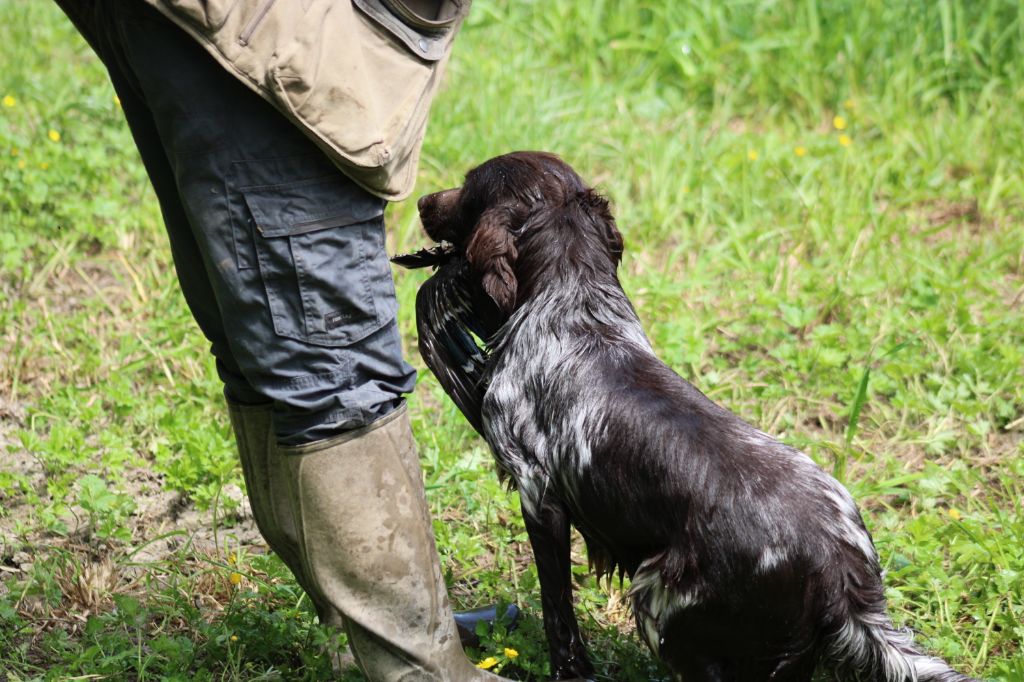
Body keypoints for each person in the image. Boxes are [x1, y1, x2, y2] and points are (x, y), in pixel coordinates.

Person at [53, 1, 508, 679]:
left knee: (263, 328)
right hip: (279, 23)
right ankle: (416, 666)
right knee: (329, 356)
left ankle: (366, 623)